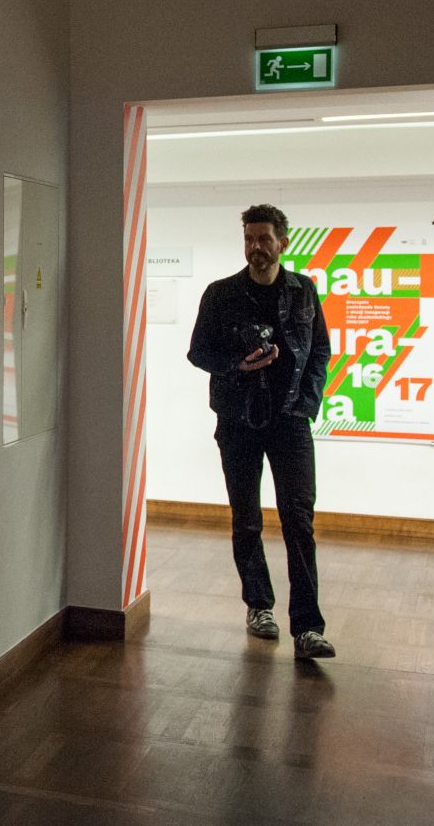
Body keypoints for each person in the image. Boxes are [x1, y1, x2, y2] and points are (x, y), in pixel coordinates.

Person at [187, 204, 335, 660]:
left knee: (299, 521)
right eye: (249, 239)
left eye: (264, 238)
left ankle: (307, 628)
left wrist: (307, 404)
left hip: (291, 422)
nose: (256, 247)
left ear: (283, 242)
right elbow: (198, 352)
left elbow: (321, 350)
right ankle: (259, 606)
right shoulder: (221, 293)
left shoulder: (303, 291)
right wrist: (238, 364)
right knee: (247, 518)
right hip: (237, 422)